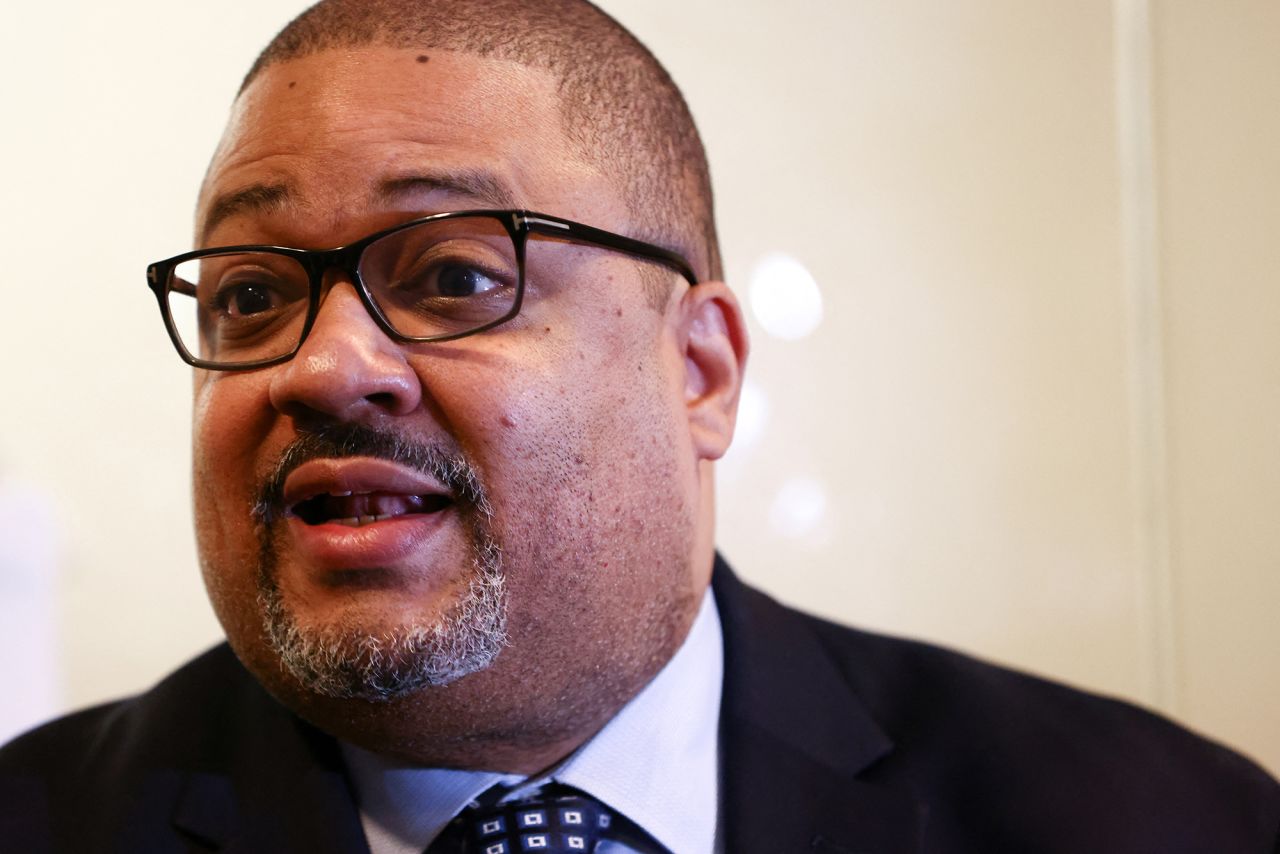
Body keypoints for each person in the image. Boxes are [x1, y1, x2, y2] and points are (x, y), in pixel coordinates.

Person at [1, 0, 1277, 851]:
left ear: (701, 372)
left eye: (453, 274)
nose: (328, 363)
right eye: (251, 294)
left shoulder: (1153, 818)